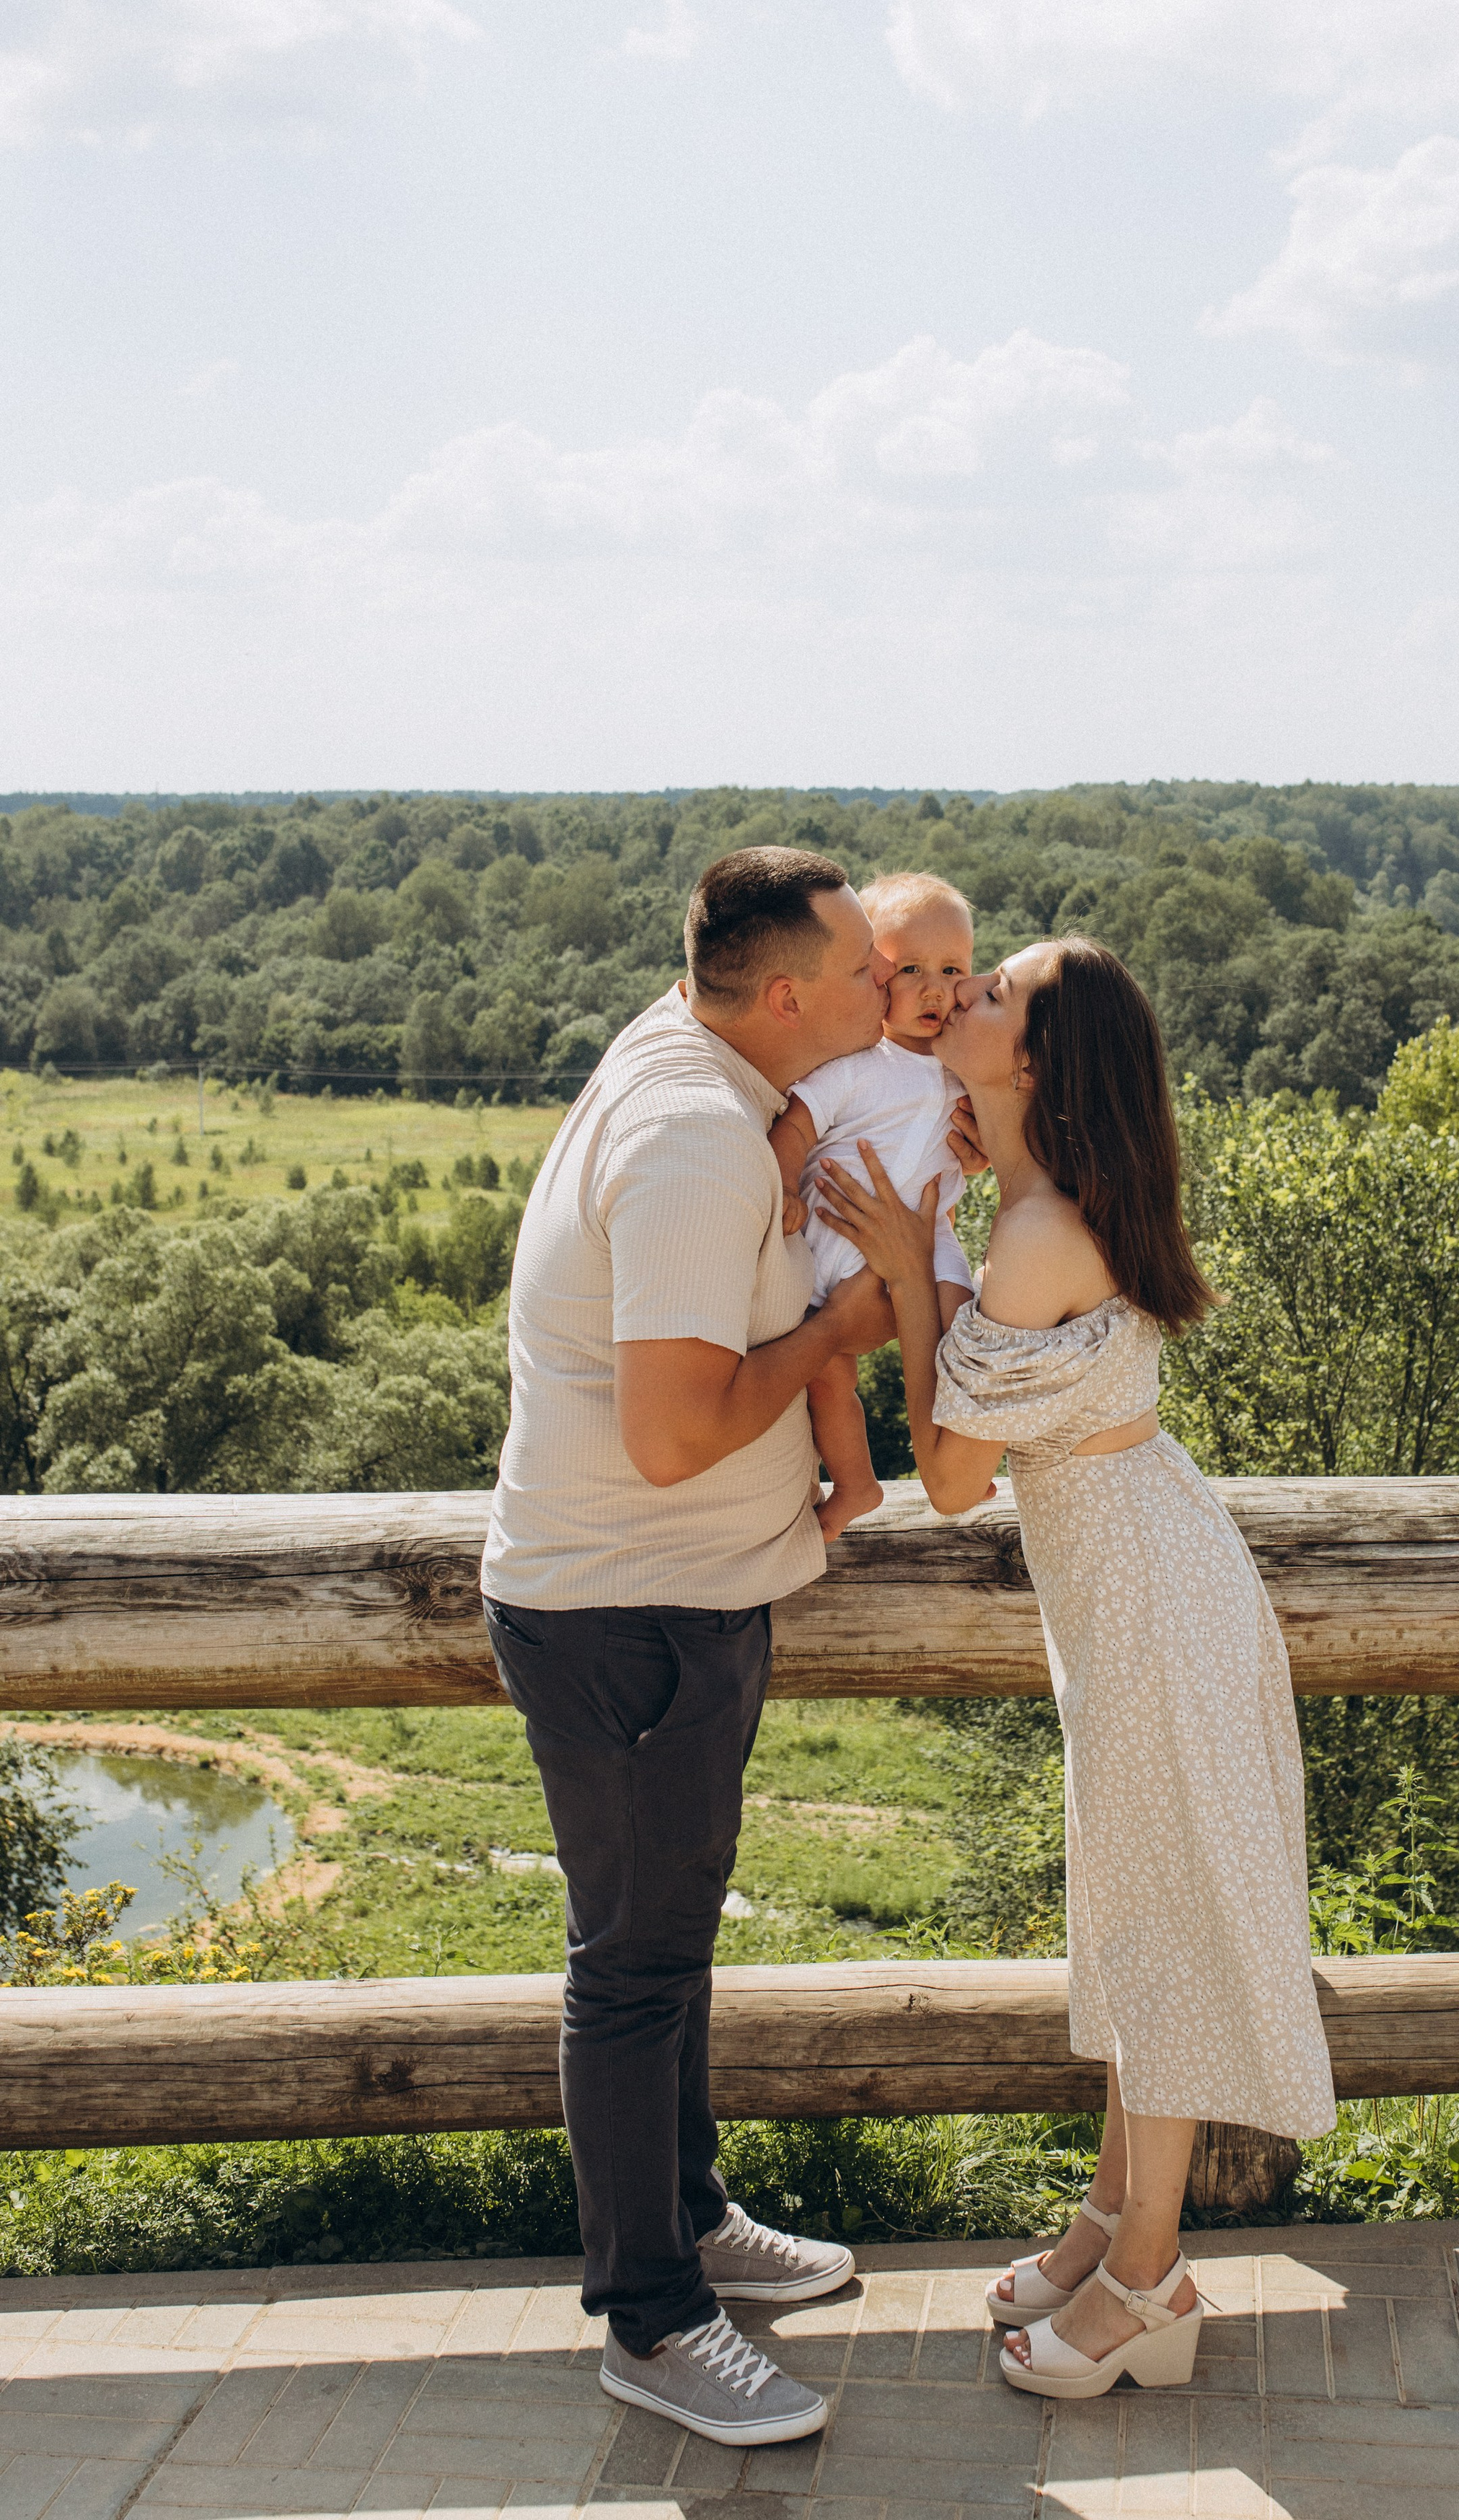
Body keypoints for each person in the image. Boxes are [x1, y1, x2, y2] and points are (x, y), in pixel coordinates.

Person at [815, 936, 1336, 2403]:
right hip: (1137, 1580)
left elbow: (956, 1477)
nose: (958, 998)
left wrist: (912, 1277)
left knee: (1153, 1928)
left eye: (991, 995)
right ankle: (1107, 2220)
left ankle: (1145, 2283)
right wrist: (959, 1197)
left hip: (1147, 1601)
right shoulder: (1046, 1198)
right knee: (1131, 1910)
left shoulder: (1042, 1232)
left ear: (1036, 1059)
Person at [479, 847, 905, 2451]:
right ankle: (651, 2319)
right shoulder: (692, 1138)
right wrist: (839, 1332)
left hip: (655, 1598)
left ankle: (693, 2217)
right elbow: (667, 1435)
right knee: (634, 1968)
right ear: (788, 993)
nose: (888, 994)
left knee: (666, 1947)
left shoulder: (698, 1072)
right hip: (629, 1614)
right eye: (864, 973)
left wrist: (784, 1141)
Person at [770, 872, 978, 1537]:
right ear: (875, 973)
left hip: (924, 1236)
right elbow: (797, 1125)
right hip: (826, 1245)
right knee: (829, 1377)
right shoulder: (859, 1064)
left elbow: (1011, 1134)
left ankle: (966, 1449)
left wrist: (987, 1156)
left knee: (964, 1320)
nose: (933, 989)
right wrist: (780, 1184)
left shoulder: (969, 1066)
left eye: (952, 970)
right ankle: (856, 1486)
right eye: (909, 968)